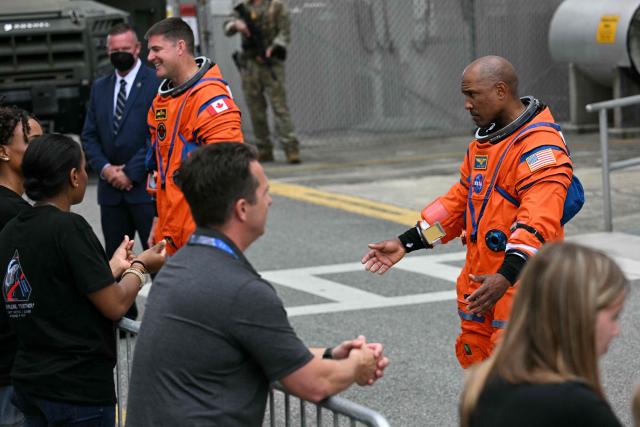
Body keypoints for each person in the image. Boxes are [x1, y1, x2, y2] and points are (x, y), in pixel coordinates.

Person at [125, 143, 389, 426]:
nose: (270, 201)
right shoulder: (242, 291)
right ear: (242, 209)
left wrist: (331, 354)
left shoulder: (179, 266)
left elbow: (250, 344)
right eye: (265, 192)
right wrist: (358, 365)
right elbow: (313, 383)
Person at [361, 56, 574, 368]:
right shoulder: (485, 145)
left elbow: (537, 222)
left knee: (524, 388)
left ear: (501, 90)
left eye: (472, 94)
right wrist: (407, 242)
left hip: (523, 292)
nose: (467, 104)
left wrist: (505, 276)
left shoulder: (541, 149)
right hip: (485, 291)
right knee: (485, 386)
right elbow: (458, 206)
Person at [0, 134, 166, 426]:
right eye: (83, 168)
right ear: (74, 176)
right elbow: (115, 305)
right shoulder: (69, 228)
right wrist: (140, 267)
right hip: (76, 389)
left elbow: (55, 285)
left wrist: (111, 268)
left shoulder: (12, 230)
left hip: (29, 380)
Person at [459, 242, 627, 427]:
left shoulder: (482, 386)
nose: (616, 331)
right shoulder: (578, 407)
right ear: (579, 315)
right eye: (613, 316)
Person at [145, 17, 244, 255]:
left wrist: (215, 237)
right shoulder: (161, 102)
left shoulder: (210, 97)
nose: (150, 58)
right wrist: (157, 220)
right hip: (169, 233)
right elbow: (157, 169)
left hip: (203, 236)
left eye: (156, 49)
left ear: (180, 47)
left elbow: (229, 169)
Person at [82, 23, 159, 260]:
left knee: (157, 261)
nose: (119, 54)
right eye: (114, 50)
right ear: (107, 51)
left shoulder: (155, 82)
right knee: (116, 265)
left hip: (145, 191)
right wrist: (106, 170)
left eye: (125, 48)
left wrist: (130, 173)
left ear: (137, 48)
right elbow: (89, 135)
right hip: (111, 195)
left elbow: (156, 135)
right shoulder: (100, 87)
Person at [0, 106, 42, 427]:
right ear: (3, 152)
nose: (42, 151)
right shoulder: (14, 215)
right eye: (32, 142)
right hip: (10, 366)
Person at [224, 0, 301, 164]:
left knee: (280, 107)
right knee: (256, 109)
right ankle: (264, 148)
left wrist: (272, 49)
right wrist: (236, 24)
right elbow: (227, 26)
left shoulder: (276, 6)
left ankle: (291, 148)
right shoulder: (243, 7)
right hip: (250, 64)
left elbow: (284, 33)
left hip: (271, 62)